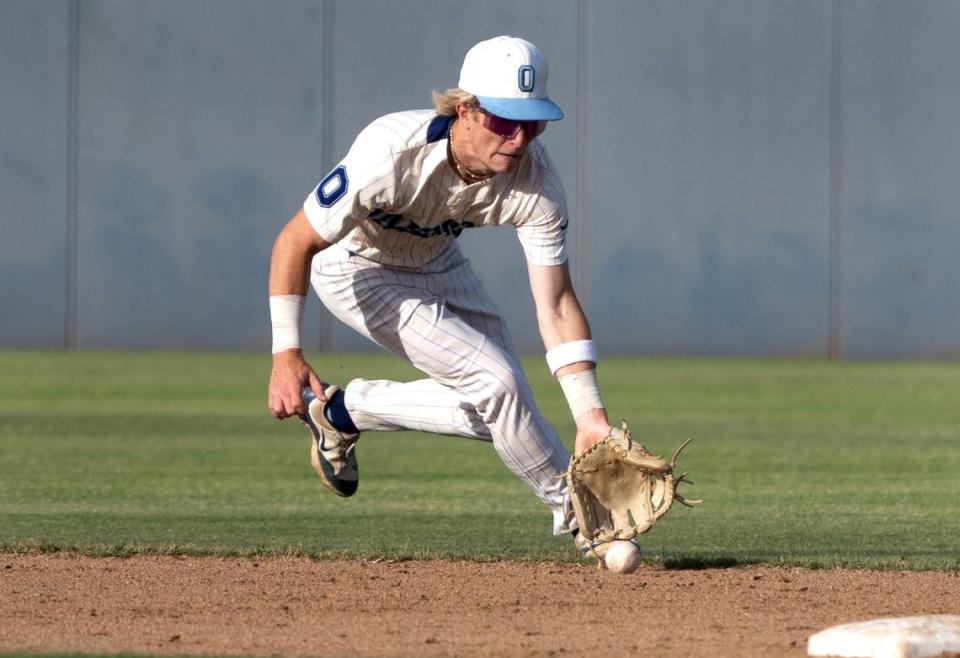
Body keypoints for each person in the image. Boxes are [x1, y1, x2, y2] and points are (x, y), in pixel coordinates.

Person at [267, 35, 613, 542]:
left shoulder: (535, 184)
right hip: (357, 268)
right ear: (466, 109)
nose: (519, 138)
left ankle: (342, 412)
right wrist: (285, 353)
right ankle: (582, 512)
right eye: (503, 119)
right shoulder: (390, 151)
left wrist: (591, 416)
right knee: (500, 387)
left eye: (533, 121)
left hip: (439, 262)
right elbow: (294, 241)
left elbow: (558, 304)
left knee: (499, 410)